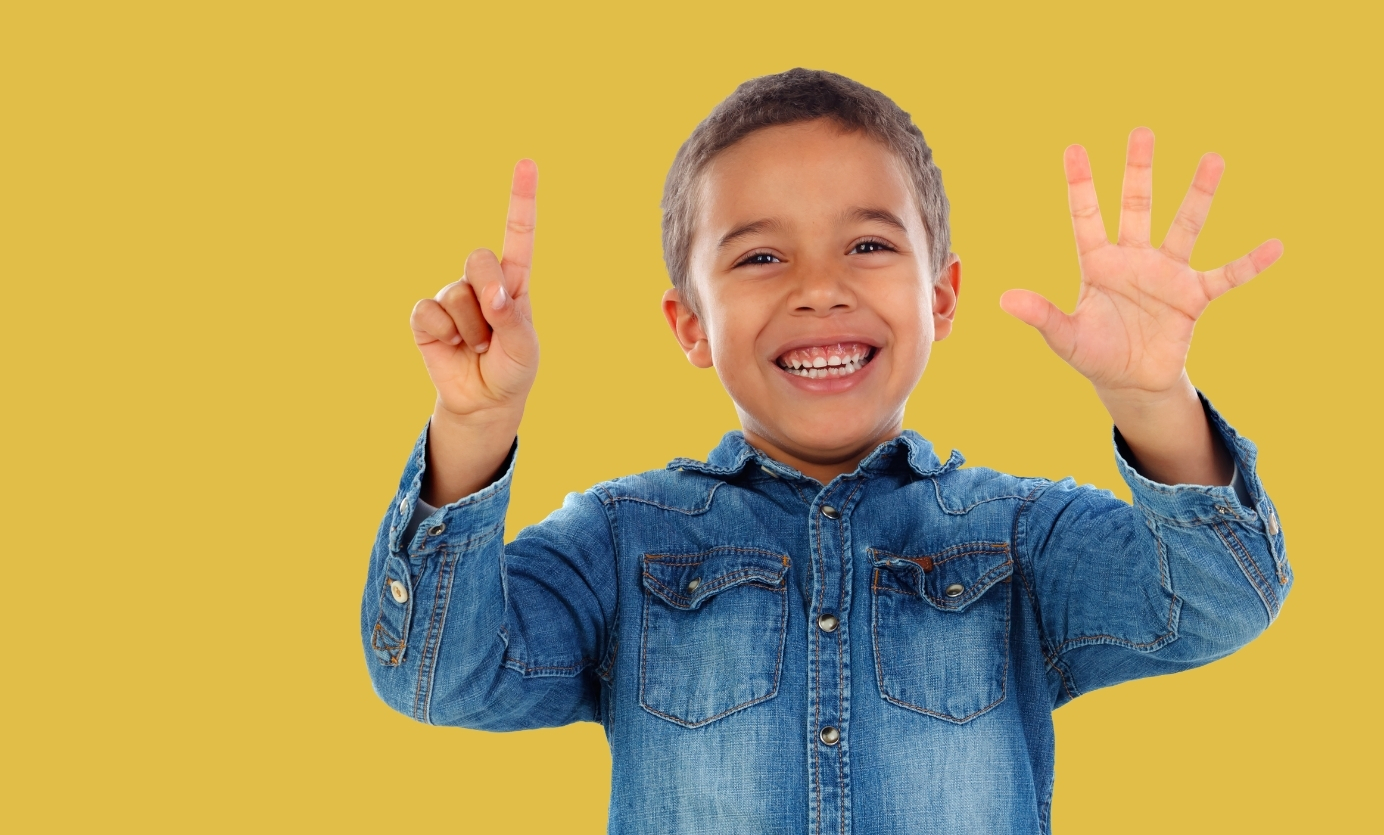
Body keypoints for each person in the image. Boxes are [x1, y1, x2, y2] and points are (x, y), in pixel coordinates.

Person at [360, 69, 1290, 834]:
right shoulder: (623, 539)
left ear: (942, 297)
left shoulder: (1018, 535)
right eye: (761, 258)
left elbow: (1220, 599)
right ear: (690, 325)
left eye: (869, 245)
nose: (820, 289)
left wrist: (1150, 398)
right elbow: (443, 676)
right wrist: (475, 432)